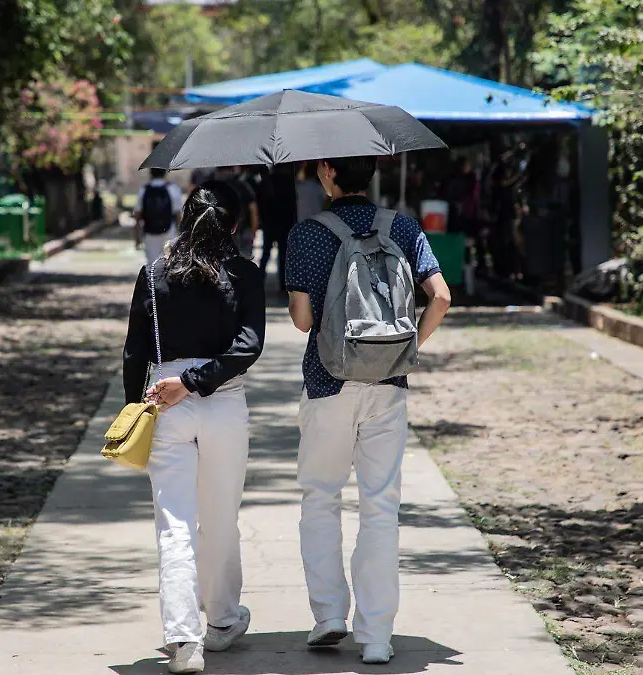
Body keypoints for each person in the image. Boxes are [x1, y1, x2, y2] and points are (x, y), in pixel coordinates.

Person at [285, 156, 452, 666]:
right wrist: (408, 348)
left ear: (329, 174)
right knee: (380, 508)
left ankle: (329, 616)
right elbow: (440, 296)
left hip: (328, 383)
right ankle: (377, 637)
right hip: (388, 385)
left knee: (320, 497)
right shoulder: (401, 226)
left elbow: (301, 320)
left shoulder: (307, 234)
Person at [123, 180, 266, 674]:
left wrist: (134, 409)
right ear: (232, 226)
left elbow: (134, 352)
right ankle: (223, 620)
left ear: (183, 221)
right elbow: (247, 348)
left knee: (174, 524)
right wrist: (198, 380)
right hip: (223, 403)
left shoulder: (153, 273)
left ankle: (184, 639)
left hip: (163, 403)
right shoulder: (243, 275)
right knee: (221, 517)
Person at [258, 166, 297, 297]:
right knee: (283, 255)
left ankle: (259, 279)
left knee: (266, 253)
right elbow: (292, 205)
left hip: (269, 222)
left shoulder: (266, 182)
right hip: (284, 223)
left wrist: (262, 220)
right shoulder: (288, 182)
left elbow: (260, 203)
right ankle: (283, 284)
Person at [135, 168, 185, 265]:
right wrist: (180, 235)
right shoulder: (172, 189)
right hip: (169, 232)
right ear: (165, 172)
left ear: (150, 173)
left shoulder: (144, 190)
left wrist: (137, 237)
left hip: (149, 233)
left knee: (152, 265)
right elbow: (178, 215)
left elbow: (137, 215)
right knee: (169, 263)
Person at [215, 166, 259, 260]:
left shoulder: (217, 188)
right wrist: (254, 229)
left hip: (229, 230)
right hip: (243, 228)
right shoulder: (242, 185)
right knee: (245, 262)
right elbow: (253, 208)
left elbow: (253, 208)